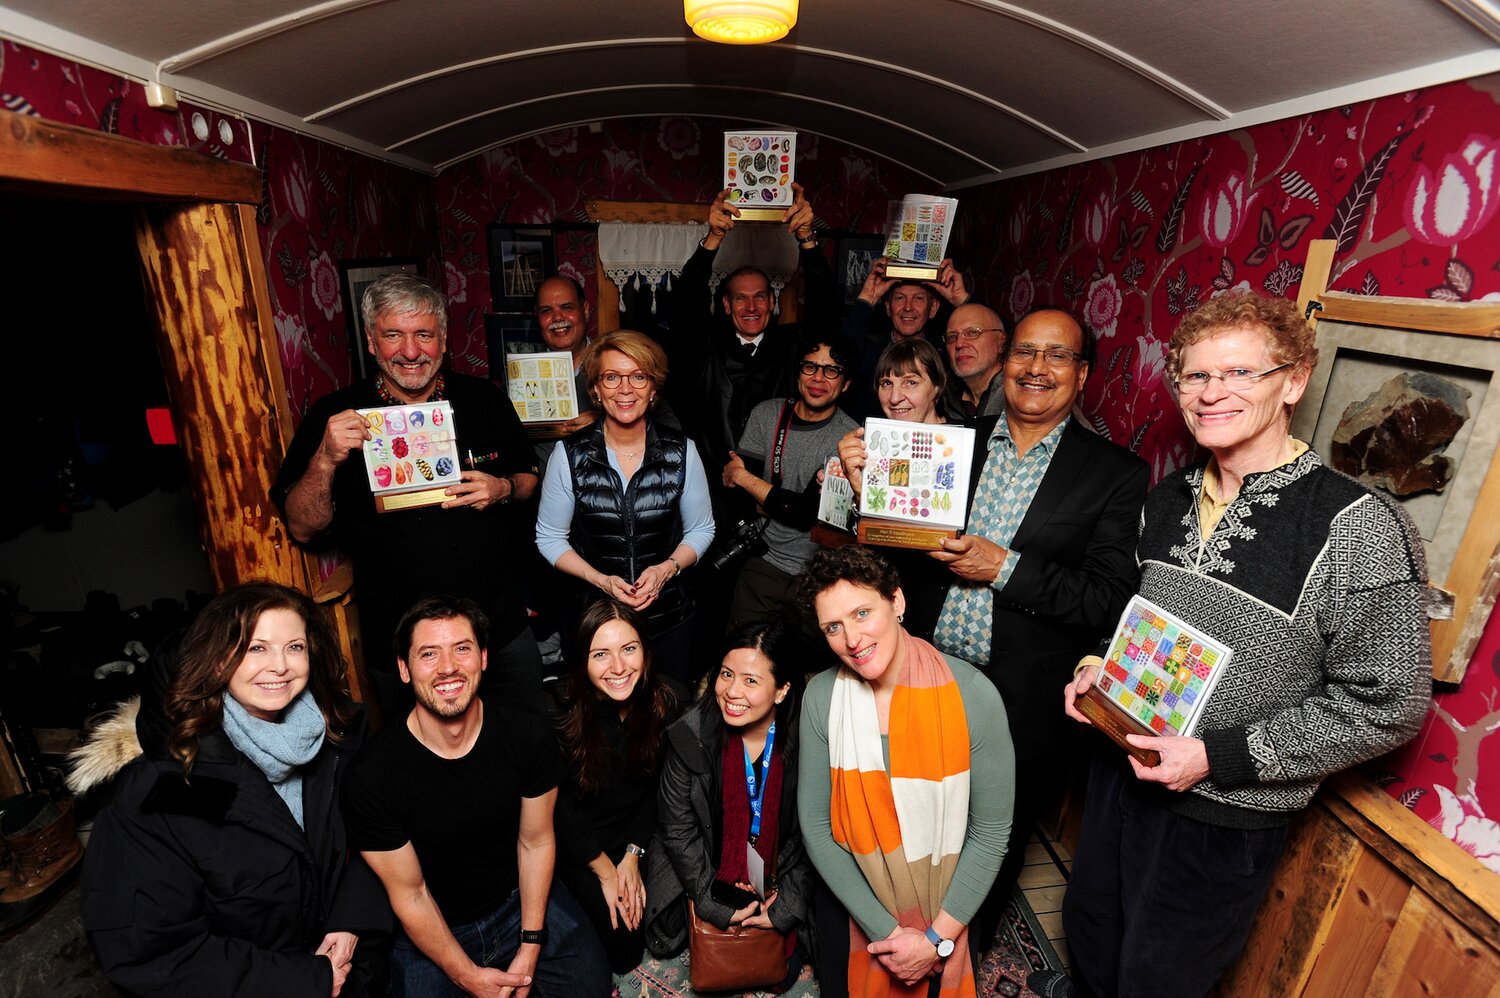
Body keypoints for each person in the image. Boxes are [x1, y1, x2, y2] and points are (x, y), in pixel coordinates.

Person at [1047, 292, 1432, 998]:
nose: (1212, 393)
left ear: (1293, 382)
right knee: (1091, 940)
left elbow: (1390, 706)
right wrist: (1093, 666)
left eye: (1240, 374)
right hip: (1116, 776)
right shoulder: (1165, 500)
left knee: (1155, 983)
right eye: (1196, 377)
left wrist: (1215, 757)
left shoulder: (1359, 527)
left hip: (1220, 820)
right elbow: (1129, 622)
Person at [900, 308, 1149, 930]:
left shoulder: (1117, 474)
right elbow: (894, 549)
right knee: (906, 817)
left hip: (1022, 700)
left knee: (994, 840)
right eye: (1024, 352)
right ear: (1004, 361)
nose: (1037, 368)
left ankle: (959, 950)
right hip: (921, 671)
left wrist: (1004, 568)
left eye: (1057, 355)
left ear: (1082, 373)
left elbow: (1109, 598)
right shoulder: (952, 442)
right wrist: (872, 487)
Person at [77, 582, 391, 998]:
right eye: (256, 648)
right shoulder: (163, 787)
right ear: (216, 658)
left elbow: (373, 839)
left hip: (354, 972)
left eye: (294, 647)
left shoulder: (338, 739)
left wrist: (353, 920)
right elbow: (149, 953)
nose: (279, 665)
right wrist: (308, 980)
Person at [274, 273, 542, 722]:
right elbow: (303, 526)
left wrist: (502, 488)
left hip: (497, 627)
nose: (411, 352)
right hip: (400, 639)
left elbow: (529, 479)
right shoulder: (334, 414)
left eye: (424, 335)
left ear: (443, 339)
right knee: (424, 770)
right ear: (371, 341)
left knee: (528, 738)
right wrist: (325, 458)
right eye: (394, 335)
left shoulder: (484, 399)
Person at [343, 596, 609, 997]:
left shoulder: (527, 733)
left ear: (483, 658)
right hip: (435, 922)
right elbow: (411, 894)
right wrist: (464, 974)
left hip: (519, 897)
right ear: (403, 668)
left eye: (462, 649)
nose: (448, 667)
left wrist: (531, 944)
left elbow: (535, 841)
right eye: (429, 654)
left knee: (591, 987)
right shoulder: (370, 776)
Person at [798, 545, 1014, 998]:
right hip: (854, 904)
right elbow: (817, 827)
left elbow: (991, 832)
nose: (852, 640)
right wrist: (890, 934)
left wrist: (935, 940)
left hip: (945, 908)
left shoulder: (974, 695)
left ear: (896, 602)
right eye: (833, 627)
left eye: (862, 613)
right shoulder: (820, 696)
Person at [536, 330, 715, 682]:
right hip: (596, 621)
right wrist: (601, 580)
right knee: (602, 723)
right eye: (612, 377)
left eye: (638, 376)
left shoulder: (683, 451)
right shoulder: (568, 455)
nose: (625, 389)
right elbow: (550, 538)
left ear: (653, 388)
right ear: (596, 390)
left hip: (669, 619)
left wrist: (667, 569)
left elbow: (701, 529)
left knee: (670, 720)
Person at [643, 620, 813, 987]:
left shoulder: (807, 743)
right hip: (708, 861)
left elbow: (815, 833)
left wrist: (785, 905)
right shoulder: (691, 735)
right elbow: (677, 829)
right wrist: (712, 902)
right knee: (664, 934)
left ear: (782, 690)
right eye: (726, 674)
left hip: (779, 867)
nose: (732, 692)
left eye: (751, 680)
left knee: (793, 960)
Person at [666, 182, 836, 513]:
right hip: (709, 493)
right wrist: (712, 238)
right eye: (740, 298)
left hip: (777, 494)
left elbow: (827, 316)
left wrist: (807, 240)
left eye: (760, 296)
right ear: (727, 306)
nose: (751, 306)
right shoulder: (706, 346)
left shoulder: (792, 348)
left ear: (772, 302)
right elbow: (685, 308)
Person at [550, 600, 684, 974]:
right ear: (581, 661)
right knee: (620, 953)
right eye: (601, 655)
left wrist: (632, 856)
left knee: (659, 931)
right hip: (577, 844)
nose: (619, 667)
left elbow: (659, 788)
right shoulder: (557, 714)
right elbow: (560, 811)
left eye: (629, 649)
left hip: (634, 837)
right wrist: (606, 872)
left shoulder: (668, 701)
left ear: (645, 649)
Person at [722, 332, 859, 634]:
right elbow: (739, 500)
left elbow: (803, 512)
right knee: (740, 653)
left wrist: (744, 477)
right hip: (764, 561)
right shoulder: (767, 415)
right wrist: (784, 503)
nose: (818, 377)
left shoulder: (850, 438)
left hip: (820, 575)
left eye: (831, 370)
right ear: (798, 374)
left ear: (845, 383)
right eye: (810, 366)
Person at [843, 258, 971, 419]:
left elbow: (996, 346)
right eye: (900, 298)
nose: (908, 307)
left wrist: (963, 300)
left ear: (933, 309)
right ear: (888, 308)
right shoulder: (868, 352)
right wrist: (867, 298)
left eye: (918, 298)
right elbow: (838, 354)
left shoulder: (946, 356)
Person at [837, 337, 949, 504]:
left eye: (910, 382)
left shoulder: (964, 447)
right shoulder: (871, 449)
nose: (894, 398)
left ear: (937, 388)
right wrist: (859, 491)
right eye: (887, 383)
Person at [528, 275, 600, 467]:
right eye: (546, 311)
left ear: (585, 310)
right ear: (538, 318)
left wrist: (606, 422)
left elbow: (668, 428)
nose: (558, 318)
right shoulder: (524, 375)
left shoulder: (614, 365)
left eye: (567, 307)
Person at [942, 303, 1008, 421]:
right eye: (952, 337)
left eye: (972, 333)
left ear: (1001, 342)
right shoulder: (941, 398)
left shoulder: (1020, 395)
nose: (959, 344)